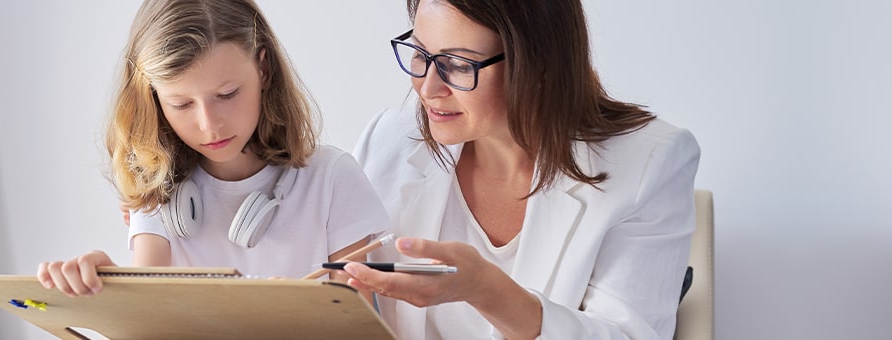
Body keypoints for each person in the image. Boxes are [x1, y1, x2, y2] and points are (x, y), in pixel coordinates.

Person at [337, 0, 701, 339]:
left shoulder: (649, 162)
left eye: (459, 64)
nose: (428, 87)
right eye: (420, 54)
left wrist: (486, 290)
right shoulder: (389, 139)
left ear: (539, 65)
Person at [37, 0, 387, 297]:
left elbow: (356, 323)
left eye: (227, 94)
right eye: (181, 104)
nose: (209, 125)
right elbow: (149, 319)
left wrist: (293, 316)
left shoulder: (331, 178)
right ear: (154, 99)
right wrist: (105, 291)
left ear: (264, 69)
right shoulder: (158, 191)